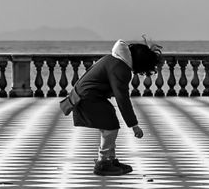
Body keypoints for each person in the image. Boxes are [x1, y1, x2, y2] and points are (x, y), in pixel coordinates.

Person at [64, 39, 162, 176]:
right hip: (88, 98)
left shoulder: (114, 60)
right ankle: (102, 163)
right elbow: (122, 99)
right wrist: (134, 125)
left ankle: (110, 160)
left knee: (110, 124)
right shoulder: (121, 68)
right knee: (110, 126)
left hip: (89, 96)